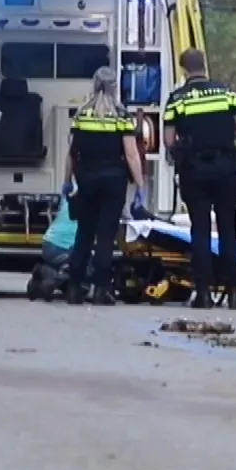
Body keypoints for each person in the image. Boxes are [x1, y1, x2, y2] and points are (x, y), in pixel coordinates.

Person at [162, 47, 236, 309]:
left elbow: (169, 140)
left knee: (200, 231)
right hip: (226, 169)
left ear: (184, 70)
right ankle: (235, 292)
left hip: (195, 171)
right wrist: (222, 137)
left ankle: (203, 293)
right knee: (228, 231)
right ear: (205, 65)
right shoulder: (227, 93)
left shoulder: (177, 99)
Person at [63, 67, 149, 305]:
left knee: (84, 234)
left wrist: (67, 180)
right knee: (105, 235)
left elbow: (72, 153)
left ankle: (73, 287)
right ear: (114, 86)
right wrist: (140, 185)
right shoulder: (121, 114)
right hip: (113, 181)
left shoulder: (82, 113)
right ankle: (101, 289)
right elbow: (131, 154)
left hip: (87, 179)